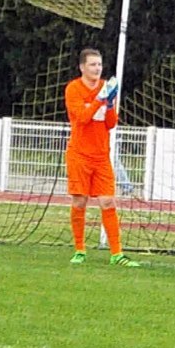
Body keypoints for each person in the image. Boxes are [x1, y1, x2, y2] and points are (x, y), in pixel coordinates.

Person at [64, 48, 139, 267]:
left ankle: (117, 254)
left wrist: (109, 105)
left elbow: (111, 123)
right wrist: (99, 99)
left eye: (99, 64)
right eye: (93, 65)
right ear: (82, 67)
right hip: (79, 154)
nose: (97, 68)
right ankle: (80, 250)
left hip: (101, 155)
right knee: (80, 200)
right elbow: (83, 117)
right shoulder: (73, 89)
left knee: (108, 200)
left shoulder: (106, 87)